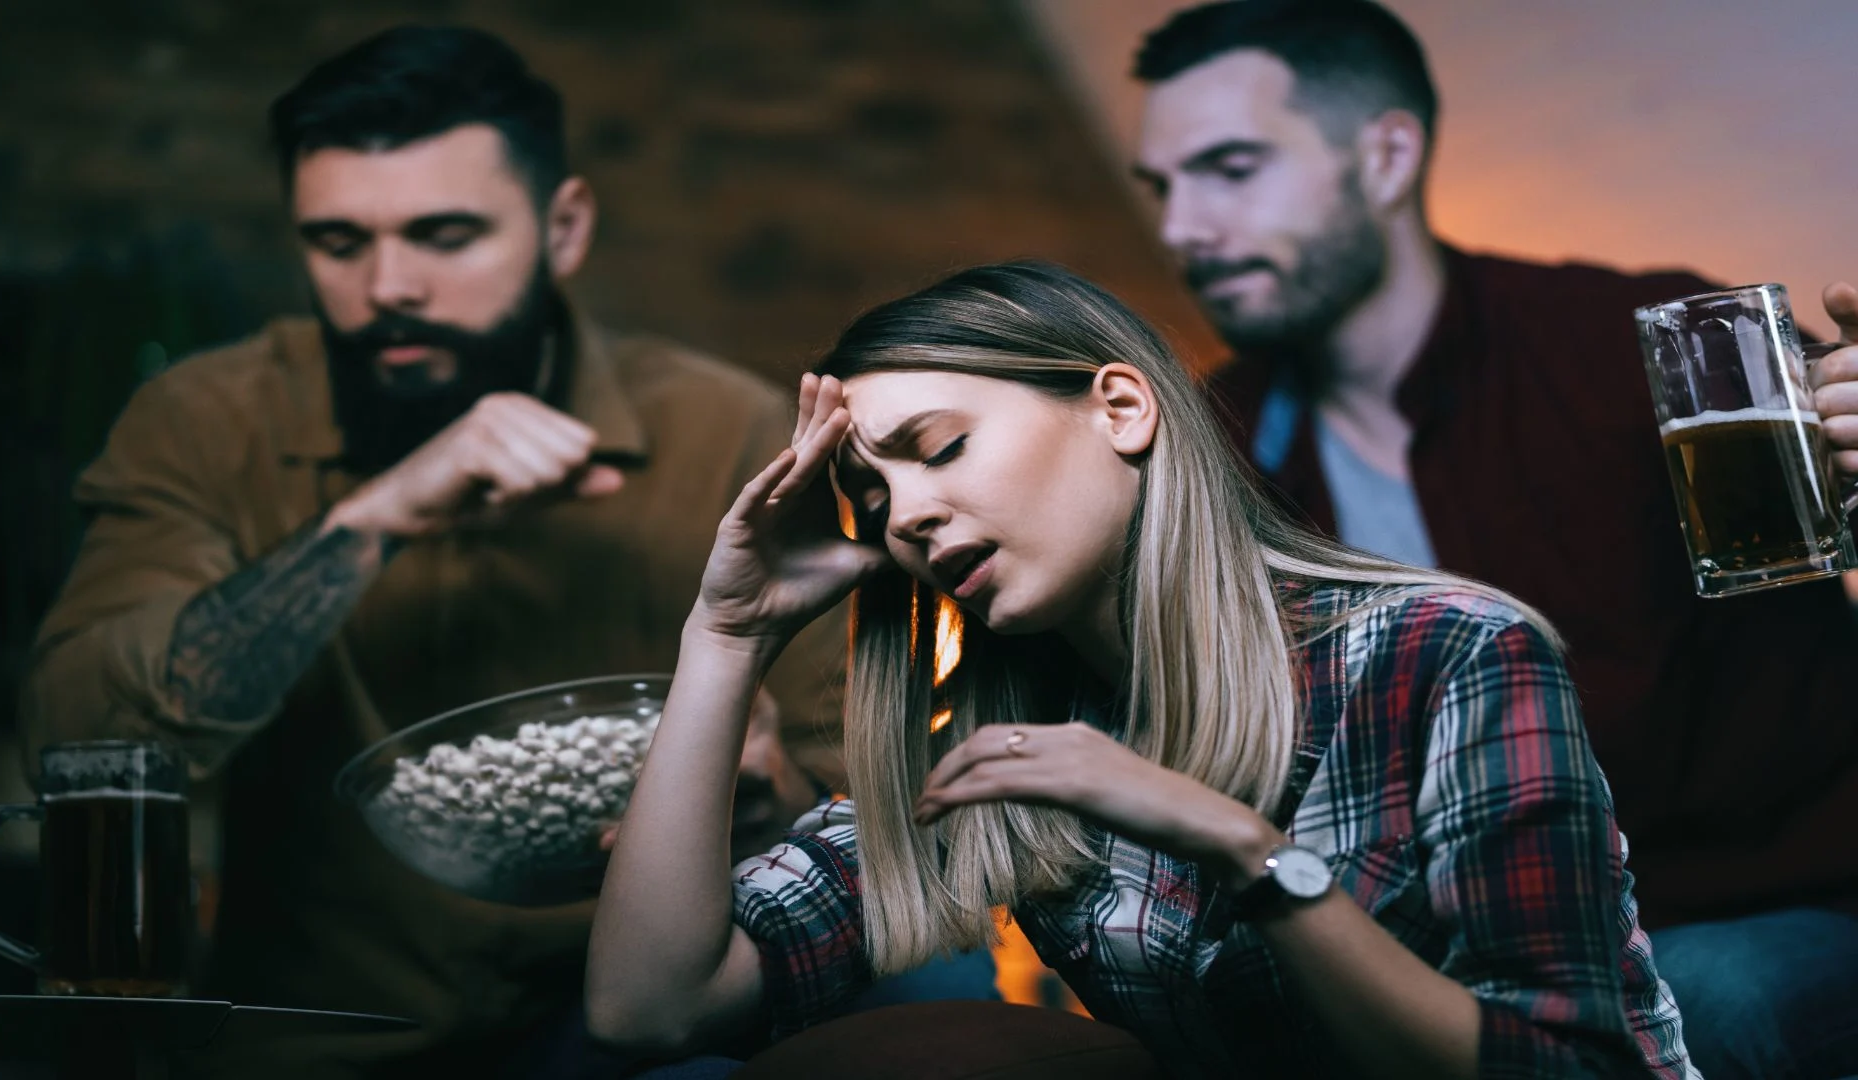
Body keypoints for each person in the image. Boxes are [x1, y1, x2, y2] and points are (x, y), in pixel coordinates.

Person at [19, 26, 881, 1079]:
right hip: (326, 1037)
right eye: (339, 243)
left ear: (564, 229)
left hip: (642, 1023)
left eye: (444, 235)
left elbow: (864, 805)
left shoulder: (726, 433)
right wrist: (376, 517)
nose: (390, 287)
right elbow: (81, 741)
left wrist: (770, 789)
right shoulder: (208, 421)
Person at [586, 261, 1696, 1078]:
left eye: (940, 448)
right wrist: (725, 635)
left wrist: (1243, 851)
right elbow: (651, 1010)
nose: (907, 516)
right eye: (873, 503)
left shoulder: (1447, 650)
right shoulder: (1002, 752)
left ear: (1120, 409)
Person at [1129, 4, 1858, 1077]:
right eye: (1161, 188)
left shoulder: (1639, 343)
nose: (1182, 228)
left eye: (1229, 169)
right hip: (1458, 958)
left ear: (1386, 157)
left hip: (1764, 909)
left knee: (1707, 998)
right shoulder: (1214, 441)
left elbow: (1820, 519)